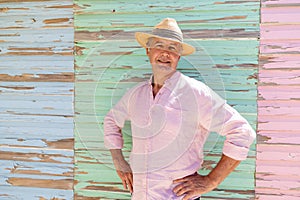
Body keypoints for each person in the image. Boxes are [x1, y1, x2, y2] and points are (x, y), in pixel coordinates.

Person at [104, 18, 256, 200]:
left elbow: (242, 131)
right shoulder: (135, 94)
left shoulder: (194, 92)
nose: (166, 53)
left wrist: (212, 181)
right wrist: (119, 161)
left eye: (173, 48)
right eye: (159, 45)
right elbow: (111, 121)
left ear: (178, 56)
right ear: (148, 50)